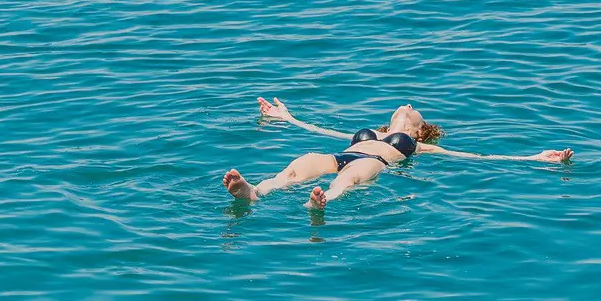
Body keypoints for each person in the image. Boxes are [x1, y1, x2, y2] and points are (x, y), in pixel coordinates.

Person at [222, 97, 572, 208]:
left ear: (419, 129)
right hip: (338, 155)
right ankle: (254, 192)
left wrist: (535, 158)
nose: (406, 104)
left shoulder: (418, 144)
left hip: (374, 163)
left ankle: (321, 201)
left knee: (345, 181)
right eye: (404, 105)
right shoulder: (368, 132)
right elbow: (317, 129)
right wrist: (285, 116)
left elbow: (475, 159)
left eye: (413, 109)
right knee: (296, 168)